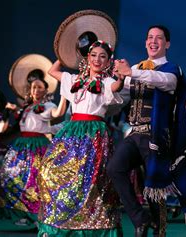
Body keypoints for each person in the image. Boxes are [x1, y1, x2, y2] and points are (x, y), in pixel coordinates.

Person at [108, 25, 186, 237]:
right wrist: (117, 81)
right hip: (134, 133)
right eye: (150, 37)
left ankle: (160, 232)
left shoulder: (171, 69)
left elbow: (164, 82)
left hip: (157, 136)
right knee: (115, 168)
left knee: (154, 188)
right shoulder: (136, 68)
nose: (153, 41)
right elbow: (119, 99)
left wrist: (130, 72)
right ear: (145, 42)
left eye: (159, 38)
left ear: (167, 44)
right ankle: (141, 219)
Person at [37, 40, 124, 236]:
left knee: (90, 182)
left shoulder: (107, 82)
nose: (97, 60)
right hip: (72, 132)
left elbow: (116, 87)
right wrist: (65, 52)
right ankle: (60, 224)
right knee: (53, 173)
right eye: (93, 55)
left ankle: (92, 229)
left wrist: (121, 76)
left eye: (103, 56)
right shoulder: (74, 79)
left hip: (94, 134)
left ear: (108, 61)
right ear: (87, 57)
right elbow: (53, 71)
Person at [0, 70, 67, 226]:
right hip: (22, 146)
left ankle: (38, 217)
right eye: (33, 87)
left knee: (35, 181)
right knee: (14, 178)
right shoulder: (27, 107)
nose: (36, 90)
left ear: (45, 90)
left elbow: (58, 113)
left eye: (39, 87)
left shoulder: (48, 105)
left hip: (38, 145)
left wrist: (64, 95)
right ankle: (25, 214)